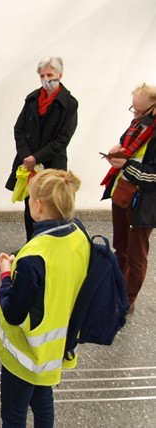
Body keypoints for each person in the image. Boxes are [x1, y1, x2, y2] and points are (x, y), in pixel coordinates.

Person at [0, 169, 90, 428]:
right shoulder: (80, 235)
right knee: (43, 401)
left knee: (14, 415)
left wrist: (6, 274)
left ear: (38, 205)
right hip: (54, 348)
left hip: (24, 353)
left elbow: (13, 313)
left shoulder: (34, 256)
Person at [5, 56, 79, 241]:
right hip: (28, 164)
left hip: (52, 164)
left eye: (50, 75)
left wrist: (36, 158)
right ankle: (31, 243)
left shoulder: (70, 104)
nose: (46, 80)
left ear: (60, 75)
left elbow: (62, 140)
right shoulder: (32, 99)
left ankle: (50, 244)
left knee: (52, 208)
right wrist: (26, 156)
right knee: (30, 206)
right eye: (42, 76)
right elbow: (19, 129)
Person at [100, 83, 156, 312]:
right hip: (123, 193)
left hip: (144, 204)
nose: (135, 116)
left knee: (136, 256)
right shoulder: (139, 124)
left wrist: (126, 164)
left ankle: (126, 301)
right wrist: (118, 148)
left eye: (140, 112)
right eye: (133, 110)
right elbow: (127, 145)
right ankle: (117, 289)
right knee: (120, 248)